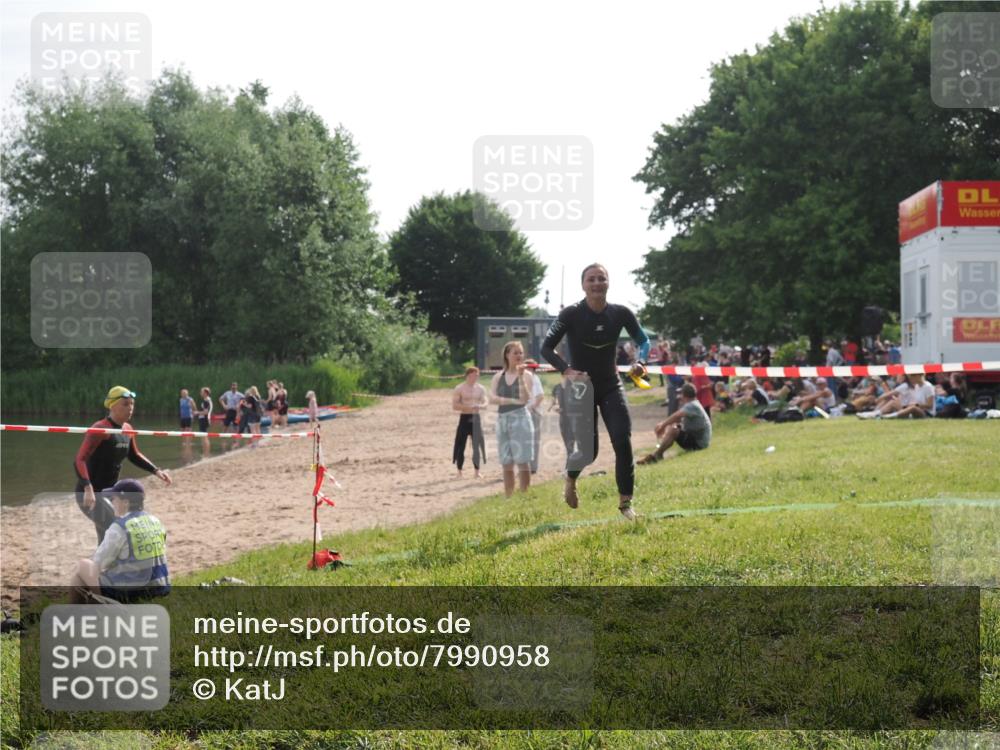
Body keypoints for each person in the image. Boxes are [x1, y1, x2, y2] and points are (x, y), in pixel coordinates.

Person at [540, 263, 650, 520]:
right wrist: (567, 370)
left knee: (622, 439)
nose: (597, 283)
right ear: (583, 285)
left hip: (611, 384)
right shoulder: (571, 314)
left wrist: (640, 362)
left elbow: (643, 340)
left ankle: (626, 505)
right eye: (592, 279)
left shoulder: (621, 313)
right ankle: (570, 477)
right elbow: (546, 348)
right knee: (590, 452)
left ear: (608, 283)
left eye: (602, 278)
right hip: (581, 389)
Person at [74, 386, 172, 544]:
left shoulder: (127, 429)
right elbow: (80, 459)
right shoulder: (100, 428)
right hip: (89, 493)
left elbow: (134, 455)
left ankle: (102, 566)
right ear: (112, 405)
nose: (130, 408)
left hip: (111, 492)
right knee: (115, 529)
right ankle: (105, 565)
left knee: (107, 535)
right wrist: (87, 487)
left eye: (132, 404)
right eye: (125, 404)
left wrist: (156, 471)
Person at [70, 479, 170, 604]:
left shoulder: (120, 527)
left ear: (125, 502)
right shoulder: (155, 521)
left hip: (134, 591)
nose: (111, 502)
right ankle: (86, 607)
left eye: (113, 499)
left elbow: (98, 563)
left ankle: (103, 604)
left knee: (83, 565)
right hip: (159, 586)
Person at [490, 341, 535, 497]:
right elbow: (492, 398)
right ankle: (508, 496)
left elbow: (524, 399)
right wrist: (510, 400)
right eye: (515, 352)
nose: (519, 356)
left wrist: (521, 377)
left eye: (521, 353)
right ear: (507, 355)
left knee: (523, 460)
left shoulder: (527, 375)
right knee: (506, 461)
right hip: (502, 418)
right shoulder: (498, 376)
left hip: (520, 418)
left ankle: (524, 496)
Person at [638, 383, 712, 464]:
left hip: (699, 444)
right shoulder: (694, 404)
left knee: (673, 430)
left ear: (684, 395)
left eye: (680, 394)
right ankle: (658, 453)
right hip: (699, 440)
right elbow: (679, 419)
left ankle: (657, 455)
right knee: (673, 427)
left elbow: (677, 415)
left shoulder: (692, 405)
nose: (679, 397)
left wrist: (662, 425)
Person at [452, 367, 488, 478]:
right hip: (464, 418)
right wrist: (468, 407)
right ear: (467, 376)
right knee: (460, 445)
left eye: (477, 376)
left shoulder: (481, 388)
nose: (475, 378)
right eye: (473, 375)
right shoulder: (459, 388)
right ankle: (459, 471)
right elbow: (455, 405)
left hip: (476, 418)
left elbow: (485, 402)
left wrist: (480, 406)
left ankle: (477, 471)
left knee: (477, 445)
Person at [524, 359, 546, 474]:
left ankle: (532, 467)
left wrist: (531, 407)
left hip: (533, 412)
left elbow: (540, 396)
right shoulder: (522, 378)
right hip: (524, 412)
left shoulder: (534, 378)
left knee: (533, 440)